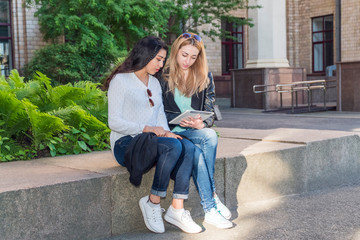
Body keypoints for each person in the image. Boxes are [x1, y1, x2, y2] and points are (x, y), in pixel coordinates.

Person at [104, 36, 202, 234]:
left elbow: (159, 117)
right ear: (144, 55)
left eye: (163, 60)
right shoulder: (121, 81)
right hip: (126, 145)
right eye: (157, 59)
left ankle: (177, 208)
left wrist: (166, 132)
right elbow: (113, 122)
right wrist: (147, 128)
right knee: (173, 146)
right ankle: (153, 202)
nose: (161, 64)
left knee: (187, 145)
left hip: (151, 142)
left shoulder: (155, 84)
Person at [158, 32, 233, 229]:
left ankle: (210, 207)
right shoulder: (162, 75)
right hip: (171, 131)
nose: (188, 61)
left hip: (194, 131)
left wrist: (202, 123)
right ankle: (212, 203)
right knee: (201, 147)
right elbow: (156, 111)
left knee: (208, 134)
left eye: (193, 57)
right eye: (184, 55)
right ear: (175, 52)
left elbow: (210, 109)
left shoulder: (204, 76)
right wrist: (175, 123)